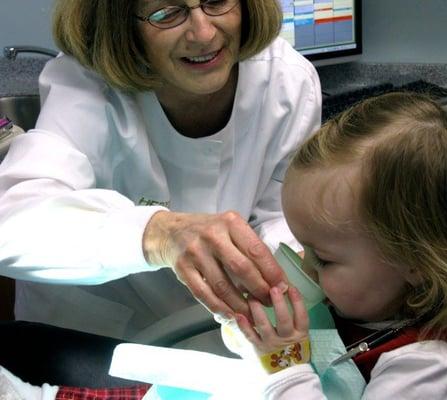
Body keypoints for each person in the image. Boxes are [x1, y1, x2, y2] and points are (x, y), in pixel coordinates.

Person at [0, 0, 321, 340]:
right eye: (168, 13)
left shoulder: (286, 80)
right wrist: (160, 233)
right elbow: (12, 221)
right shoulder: (87, 85)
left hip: (218, 332)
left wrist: (286, 264)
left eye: (216, 1)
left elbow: (280, 213)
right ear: (121, 24)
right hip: (90, 336)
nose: (204, 33)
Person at [232, 92, 447, 399]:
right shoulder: (372, 299)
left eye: (323, 259)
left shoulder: (428, 369)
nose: (306, 268)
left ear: (418, 261)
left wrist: (286, 368)